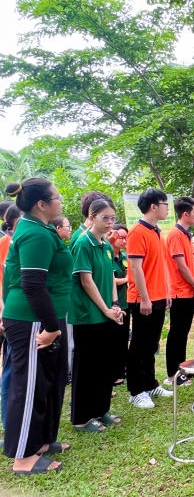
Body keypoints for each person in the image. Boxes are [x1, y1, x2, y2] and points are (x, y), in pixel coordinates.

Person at [2, 179, 70, 474]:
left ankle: (40, 440)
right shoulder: (35, 234)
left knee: (44, 381)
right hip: (31, 318)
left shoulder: (39, 229)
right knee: (27, 385)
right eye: (56, 197)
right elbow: (31, 284)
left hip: (40, 316)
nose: (61, 201)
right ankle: (23, 457)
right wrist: (51, 325)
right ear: (42, 204)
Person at [69, 198, 125, 432]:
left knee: (104, 366)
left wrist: (114, 304)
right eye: (105, 218)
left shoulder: (105, 245)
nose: (110, 222)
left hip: (106, 314)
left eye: (112, 218)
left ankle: (101, 411)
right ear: (91, 217)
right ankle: (82, 418)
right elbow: (86, 280)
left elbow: (111, 277)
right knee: (87, 368)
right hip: (88, 315)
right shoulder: (83, 243)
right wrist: (104, 309)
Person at [125, 188, 173, 409]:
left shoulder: (157, 232)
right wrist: (145, 299)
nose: (167, 208)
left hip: (159, 296)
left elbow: (160, 266)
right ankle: (136, 390)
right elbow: (135, 268)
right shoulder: (137, 232)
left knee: (152, 343)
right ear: (153, 206)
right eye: (164, 204)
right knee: (139, 345)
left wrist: (167, 292)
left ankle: (150, 383)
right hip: (143, 299)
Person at [164, 196, 194, 387]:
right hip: (179, 292)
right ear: (185, 214)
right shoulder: (175, 234)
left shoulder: (186, 234)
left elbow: (191, 261)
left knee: (183, 333)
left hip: (188, 290)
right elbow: (180, 265)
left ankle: (182, 369)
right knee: (177, 333)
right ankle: (173, 374)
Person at [0, 204, 22, 429]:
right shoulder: (6, 245)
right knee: (11, 369)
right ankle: (9, 422)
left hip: (20, 315)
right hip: (11, 315)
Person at [109, 223, 130, 386]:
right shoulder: (107, 256)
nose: (123, 241)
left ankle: (122, 370)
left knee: (123, 338)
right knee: (113, 340)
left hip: (125, 303)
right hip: (111, 305)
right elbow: (110, 280)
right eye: (120, 237)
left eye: (125, 238)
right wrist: (127, 279)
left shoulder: (124, 258)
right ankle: (114, 373)